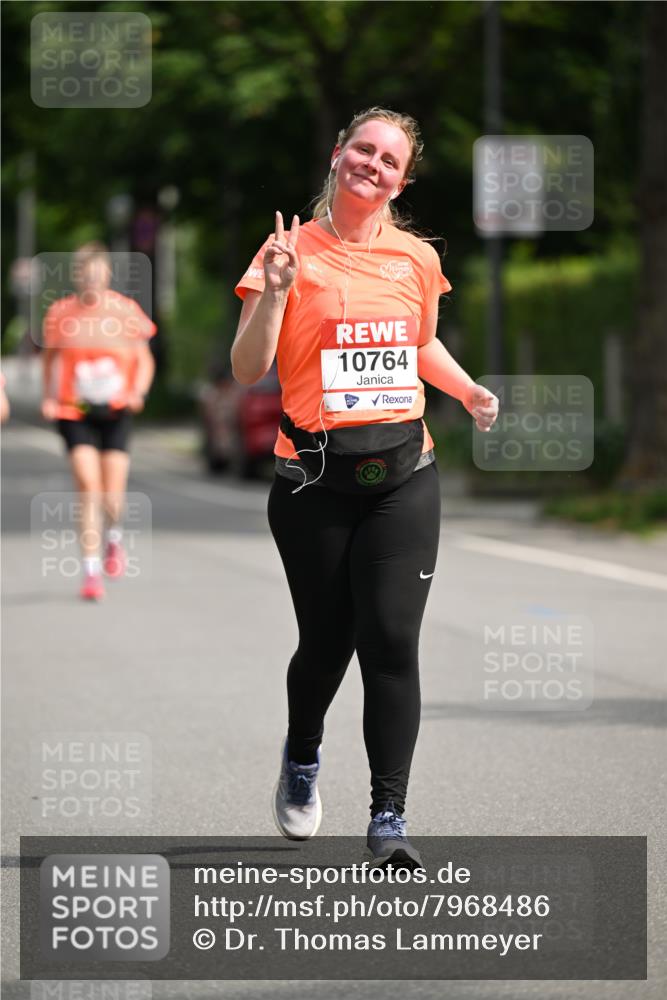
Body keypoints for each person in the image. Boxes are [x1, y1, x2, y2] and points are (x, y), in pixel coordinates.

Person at [232, 107, 498, 867]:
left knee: (390, 642)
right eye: (363, 149)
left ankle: (389, 819)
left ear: (400, 180)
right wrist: (279, 292)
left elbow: (417, 345)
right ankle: (303, 756)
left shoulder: (415, 259)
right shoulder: (288, 250)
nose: (372, 165)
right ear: (338, 154)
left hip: (402, 474)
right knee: (326, 644)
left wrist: (467, 390)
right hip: (313, 475)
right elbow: (248, 368)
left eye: (389, 159)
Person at [41, 242, 156, 601]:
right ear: (76, 277)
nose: (90, 281)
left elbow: (144, 360)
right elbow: (49, 361)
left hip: (116, 409)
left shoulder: (125, 311)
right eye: (84, 275)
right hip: (75, 410)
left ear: (106, 276)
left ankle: (113, 538)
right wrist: (48, 396)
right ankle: (91, 572)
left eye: (96, 274)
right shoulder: (61, 314)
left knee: (112, 493)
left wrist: (138, 391)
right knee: (88, 485)